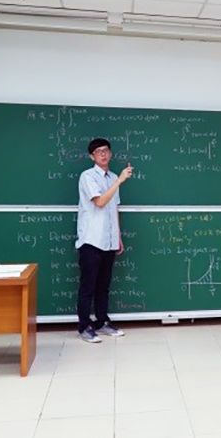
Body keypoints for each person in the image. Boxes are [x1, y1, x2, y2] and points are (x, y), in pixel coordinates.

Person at [76, 137, 133, 343]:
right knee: (88, 286)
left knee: (104, 286)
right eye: (98, 151)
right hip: (91, 240)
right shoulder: (87, 176)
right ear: (92, 156)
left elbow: (113, 208)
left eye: (106, 150)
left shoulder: (113, 177)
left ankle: (102, 322)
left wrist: (118, 237)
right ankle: (84, 327)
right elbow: (100, 202)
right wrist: (119, 181)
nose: (103, 154)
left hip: (109, 240)